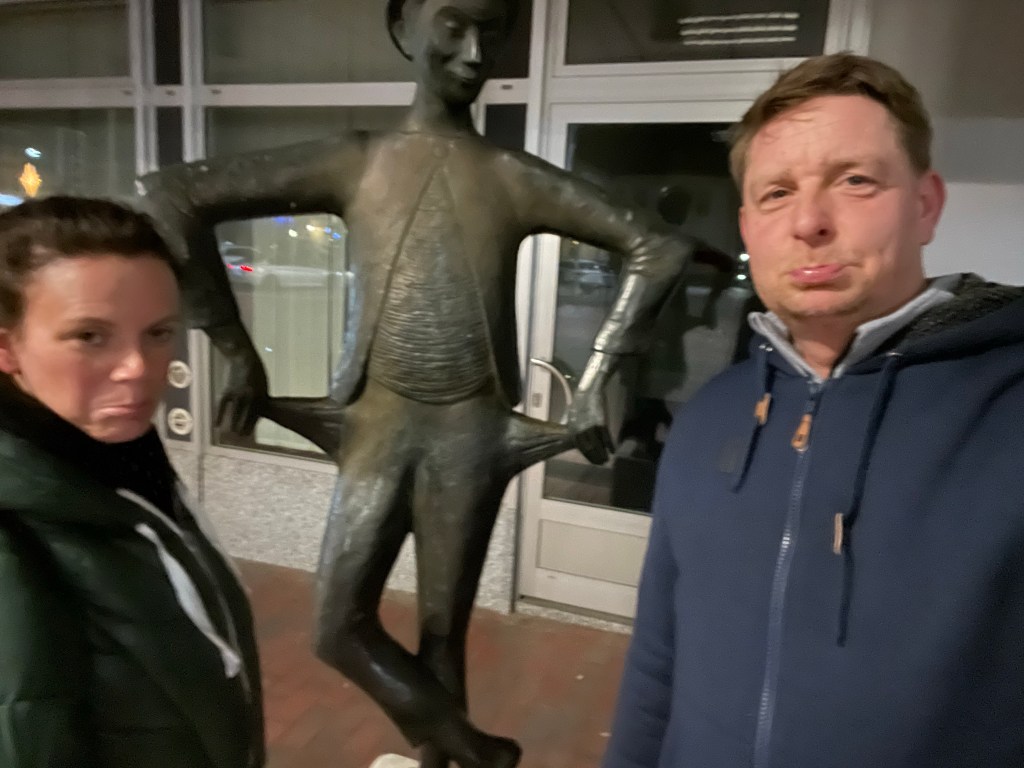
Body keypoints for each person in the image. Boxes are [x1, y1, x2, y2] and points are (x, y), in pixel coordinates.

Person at [136, 1, 712, 766]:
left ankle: (451, 758)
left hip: (471, 431)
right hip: (374, 426)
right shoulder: (357, 160)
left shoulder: (507, 175)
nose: (474, 53)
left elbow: (659, 248)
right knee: (337, 627)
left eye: (493, 34)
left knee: (444, 633)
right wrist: (236, 351)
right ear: (403, 27)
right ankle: (476, 751)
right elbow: (170, 196)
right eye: (453, 25)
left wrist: (598, 375)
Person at [603, 52, 1024, 768]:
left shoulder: (1007, 410)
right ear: (747, 226)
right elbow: (656, 663)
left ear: (925, 204)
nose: (808, 222)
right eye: (776, 193)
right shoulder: (710, 418)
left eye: (854, 180)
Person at [0, 196, 264, 768]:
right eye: (90, 336)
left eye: (159, 332)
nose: (138, 368)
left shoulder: (124, 464)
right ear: (6, 346)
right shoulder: (15, 533)